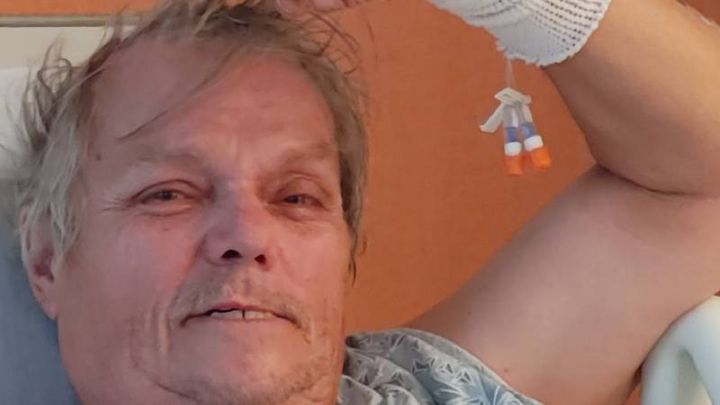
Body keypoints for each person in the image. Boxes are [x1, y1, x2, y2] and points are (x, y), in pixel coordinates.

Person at [8, 0, 720, 403]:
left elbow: (701, 184)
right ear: (45, 259)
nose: (247, 234)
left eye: (297, 196)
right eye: (168, 193)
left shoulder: (430, 390)